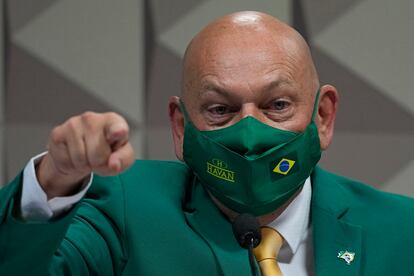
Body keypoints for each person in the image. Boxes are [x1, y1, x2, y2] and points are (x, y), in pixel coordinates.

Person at [0, 11, 413, 276]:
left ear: (322, 116)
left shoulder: (401, 231)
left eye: (278, 105)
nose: (250, 137)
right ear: (181, 127)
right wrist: (53, 180)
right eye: (220, 110)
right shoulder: (123, 206)